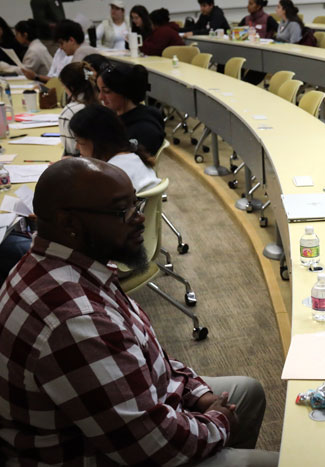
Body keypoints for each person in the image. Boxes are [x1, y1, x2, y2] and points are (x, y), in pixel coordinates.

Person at [0, 157, 280, 465]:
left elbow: (147, 351)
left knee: (248, 392)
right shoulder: (74, 320)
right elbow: (151, 446)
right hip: (107, 454)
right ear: (70, 224)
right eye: (124, 211)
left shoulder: (68, 264)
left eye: (137, 205)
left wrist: (199, 395)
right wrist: (219, 421)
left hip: (133, 416)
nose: (141, 219)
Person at [69, 104, 161, 192]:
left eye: (79, 141)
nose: (76, 147)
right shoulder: (130, 156)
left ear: (97, 141)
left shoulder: (110, 175)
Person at [97, 62, 165, 155]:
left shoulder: (145, 131)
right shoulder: (115, 116)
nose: (100, 97)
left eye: (106, 91)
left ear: (123, 91)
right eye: (99, 90)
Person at [25, 19, 97, 83]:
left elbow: (73, 81)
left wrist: (37, 77)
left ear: (71, 40)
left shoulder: (82, 52)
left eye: (61, 43)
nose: (61, 47)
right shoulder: (81, 50)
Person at [58, 62, 98, 157]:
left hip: (80, 165)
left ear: (70, 87)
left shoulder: (69, 112)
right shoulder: (103, 103)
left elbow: (71, 150)